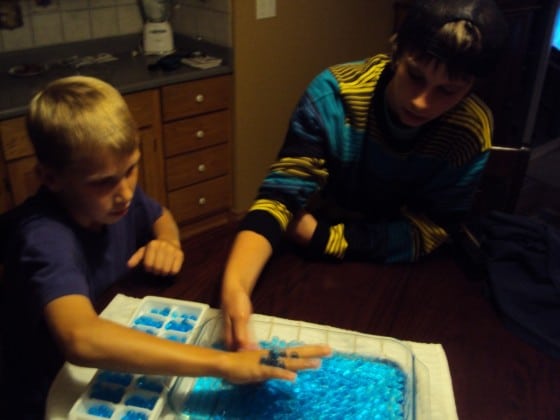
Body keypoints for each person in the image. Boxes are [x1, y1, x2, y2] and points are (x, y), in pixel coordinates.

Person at [0, 76, 331, 419]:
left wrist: (167, 240)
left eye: (131, 169)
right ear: (51, 179)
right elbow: (80, 337)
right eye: (104, 182)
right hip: (44, 394)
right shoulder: (43, 237)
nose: (125, 192)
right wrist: (225, 363)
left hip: (108, 343)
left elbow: (160, 214)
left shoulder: (116, 201)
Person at [221, 0, 509, 350]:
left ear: (470, 87)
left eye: (447, 91)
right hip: (316, 264)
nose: (421, 102)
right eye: (415, 76)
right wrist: (235, 287)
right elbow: (280, 198)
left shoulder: (470, 132)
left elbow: (434, 228)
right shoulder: (334, 96)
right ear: (395, 52)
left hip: (399, 273)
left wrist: (326, 238)